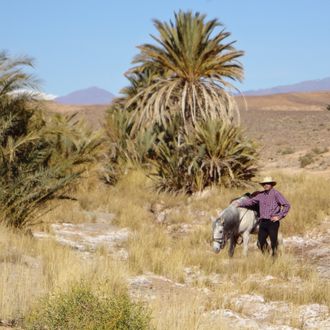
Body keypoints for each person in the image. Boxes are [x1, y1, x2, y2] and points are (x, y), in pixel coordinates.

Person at [234, 176, 290, 256]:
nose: (266, 185)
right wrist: (239, 203)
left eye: (268, 183)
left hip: (272, 222)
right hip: (263, 222)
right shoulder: (261, 195)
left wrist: (279, 216)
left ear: (271, 185)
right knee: (260, 242)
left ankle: (274, 258)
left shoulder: (276, 194)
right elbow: (251, 201)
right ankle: (267, 256)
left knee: (273, 242)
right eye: (264, 184)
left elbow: (286, 205)